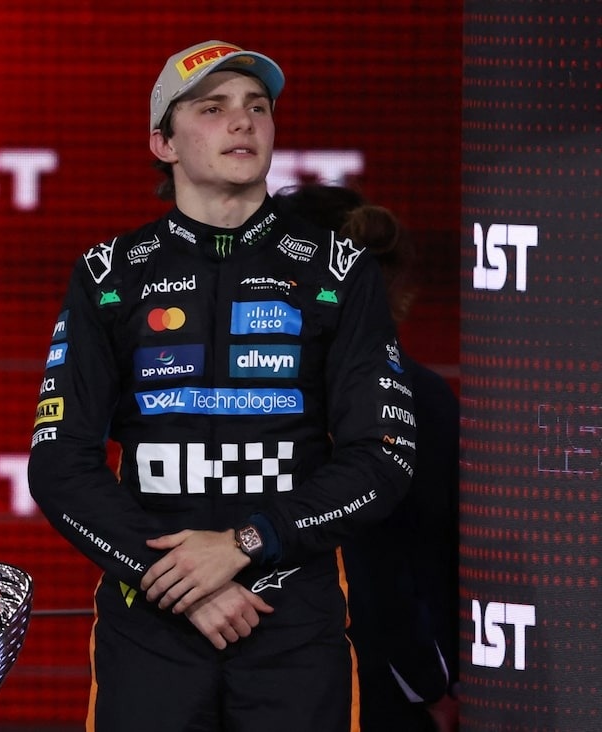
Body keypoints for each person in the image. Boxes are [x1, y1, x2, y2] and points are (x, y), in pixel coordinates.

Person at [27, 40, 416, 731]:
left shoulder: (338, 270)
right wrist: (182, 583)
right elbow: (59, 464)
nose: (243, 122)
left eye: (257, 108)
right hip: (149, 625)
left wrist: (242, 545)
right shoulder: (109, 274)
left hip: (293, 622)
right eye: (213, 108)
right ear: (164, 143)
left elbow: (384, 457)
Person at [274, 184, 460, 732]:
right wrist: (432, 686)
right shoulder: (417, 396)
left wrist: (426, 684)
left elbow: (380, 560)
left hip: (357, 690)